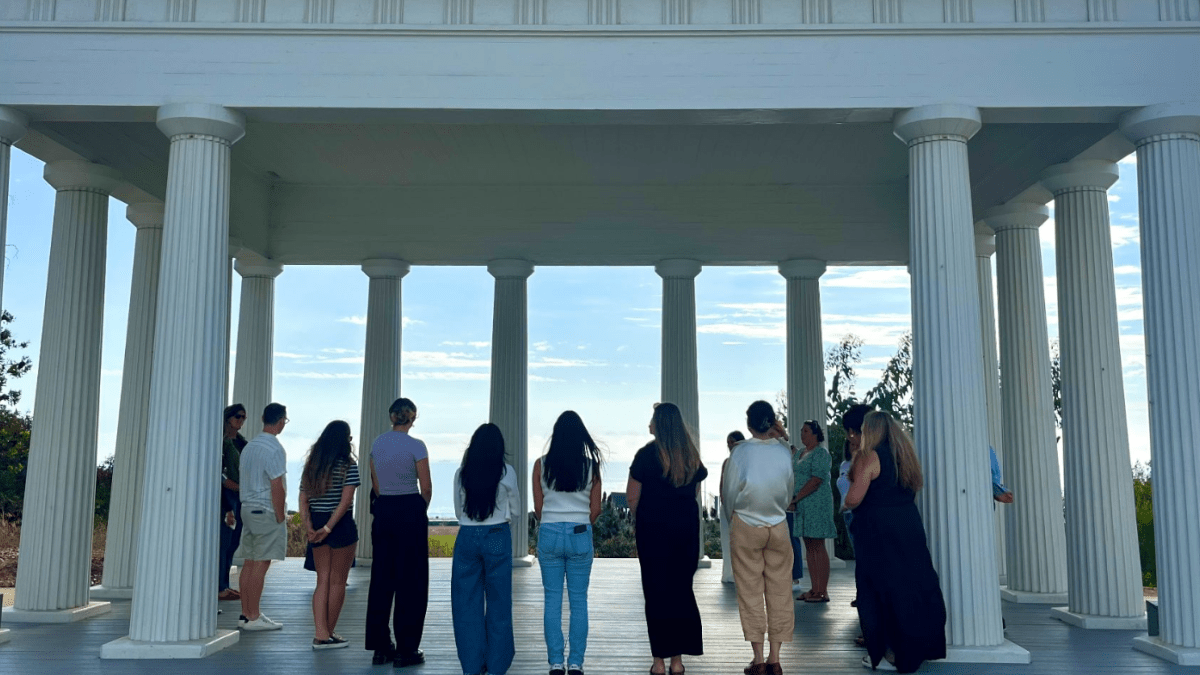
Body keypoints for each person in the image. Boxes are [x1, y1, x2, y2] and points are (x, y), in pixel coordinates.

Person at [845, 411, 946, 673]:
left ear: (871, 431)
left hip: (878, 531)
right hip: (908, 525)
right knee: (912, 585)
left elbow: (854, 498)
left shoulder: (869, 456)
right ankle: (916, 649)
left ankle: (887, 653)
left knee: (878, 589)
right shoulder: (905, 456)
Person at [627, 402, 707, 675]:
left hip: (653, 533)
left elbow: (632, 497)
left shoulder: (646, 456)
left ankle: (659, 662)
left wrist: (643, 521)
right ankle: (678, 660)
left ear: (659, 424)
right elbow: (695, 493)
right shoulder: (691, 457)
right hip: (685, 533)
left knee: (656, 594)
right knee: (681, 592)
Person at [723, 401, 794, 675]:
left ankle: (758, 659)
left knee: (750, 591)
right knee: (780, 590)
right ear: (772, 421)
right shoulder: (784, 451)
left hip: (746, 523)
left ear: (749, 423)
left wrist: (732, 517)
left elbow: (730, 492)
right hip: (778, 524)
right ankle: (775, 658)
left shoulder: (740, 452)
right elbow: (789, 489)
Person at [533, 411, 603, 675]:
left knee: (552, 600)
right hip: (579, 532)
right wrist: (579, 525)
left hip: (549, 531)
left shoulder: (541, 465)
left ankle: (555, 662)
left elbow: (538, 509)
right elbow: (595, 509)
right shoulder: (591, 466)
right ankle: (575, 662)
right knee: (578, 601)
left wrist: (554, 521)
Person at [365, 398, 432, 668]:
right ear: (413, 417)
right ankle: (407, 649)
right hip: (409, 510)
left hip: (385, 510)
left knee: (382, 579)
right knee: (412, 582)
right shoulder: (417, 446)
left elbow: (376, 482)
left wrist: (386, 505)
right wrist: (417, 510)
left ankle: (381, 647)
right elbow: (425, 487)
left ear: (391, 416)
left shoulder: (377, 443)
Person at [453, 423, 520, 675]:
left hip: (467, 535)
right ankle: (497, 665)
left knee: (466, 603)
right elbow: (515, 508)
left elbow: (459, 511)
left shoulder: (462, 473)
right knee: (499, 602)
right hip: (496, 534)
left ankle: (471, 665)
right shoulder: (506, 472)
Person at [299, 420, 360, 650]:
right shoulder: (348, 466)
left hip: (316, 522)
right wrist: (329, 528)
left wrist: (310, 528)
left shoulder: (312, 466)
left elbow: (303, 499)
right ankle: (328, 633)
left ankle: (320, 632)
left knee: (322, 580)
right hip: (340, 525)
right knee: (338, 581)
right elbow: (345, 502)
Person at [234, 402, 289, 631]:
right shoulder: (274, 448)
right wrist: (280, 515)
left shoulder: (249, 447)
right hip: (265, 509)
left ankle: (246, 614)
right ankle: (254, 616)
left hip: (247, 508)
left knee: (249, 562)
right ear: (281, 421)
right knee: (261, 564)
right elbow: (277, 484)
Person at [790, 420, 836, 603]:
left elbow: (816, 479)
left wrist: (797, 497)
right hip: (803, 504)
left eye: (806, 431)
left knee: (818, 544)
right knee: (808, 545)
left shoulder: (821, 453)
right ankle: (814, 588)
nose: (802, 434)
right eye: (801, 431)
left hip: (817, 502)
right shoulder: (800, 453)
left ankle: (822, 591)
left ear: (816, 434)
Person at [219, 403, 248, 602]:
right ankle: (220, 587)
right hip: (224, 498)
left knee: (233, 543)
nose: (241, 421)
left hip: (240, 498)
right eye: (238, 416)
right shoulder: (220, 442)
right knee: (223, 542)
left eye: (243, 417)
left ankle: (225, 585)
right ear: (228, 417)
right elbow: (219, 475)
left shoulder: (242, 443)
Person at [719, 430, 745, 585]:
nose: (729, 445)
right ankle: (729, 573)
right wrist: (725, 502)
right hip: (726, 507)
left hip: (741, 507)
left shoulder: (746, 461)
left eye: (732, 442)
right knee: (727, 539)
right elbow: (722, 485)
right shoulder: (726, 462)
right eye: (728, 442)